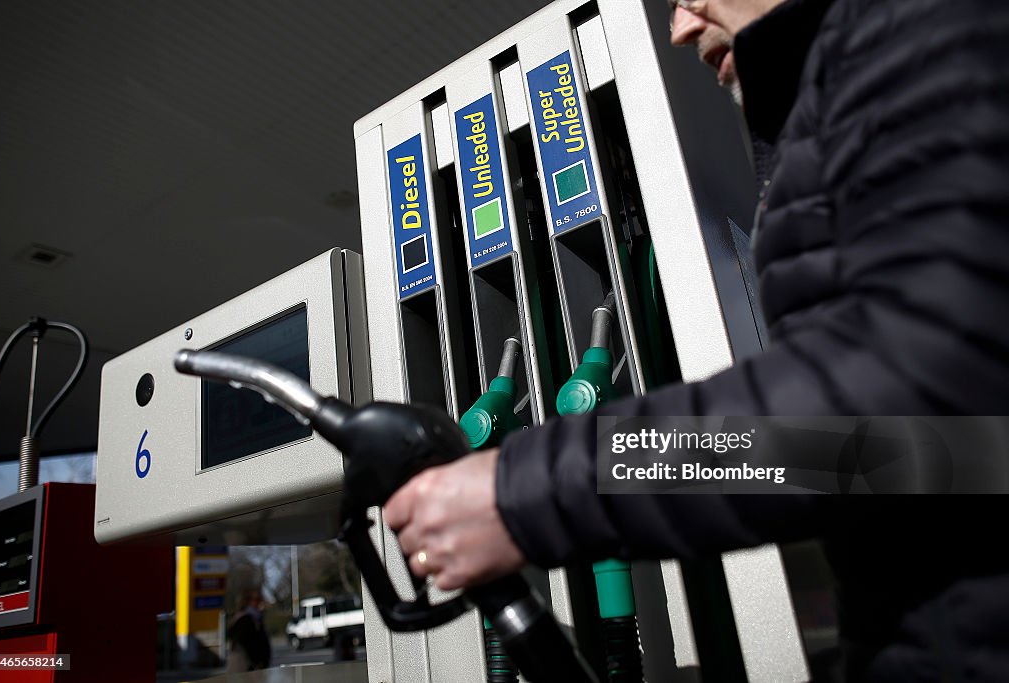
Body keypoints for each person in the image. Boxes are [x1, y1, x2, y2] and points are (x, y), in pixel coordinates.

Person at [383, 0, 1009, 680]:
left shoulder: (928, 30)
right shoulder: (848, 91)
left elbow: (898, 420)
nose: (679, 27)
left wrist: (529, 492)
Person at [226, 591, 271, 672]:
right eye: (256, 600)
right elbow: (244, 641)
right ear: (249, 602)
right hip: (245, 663)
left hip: (250, 663)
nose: (260, 603)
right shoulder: (245, 619)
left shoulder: (255, 617)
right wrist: (256, 661)